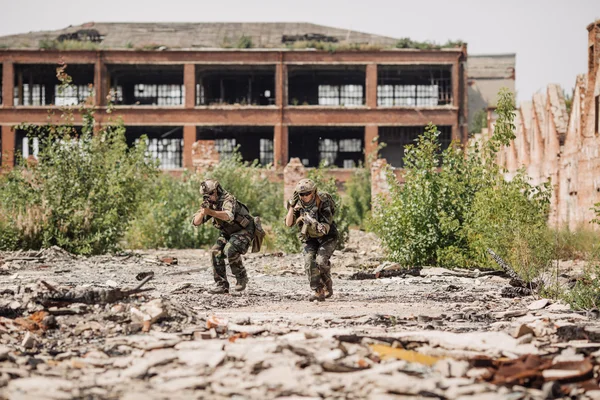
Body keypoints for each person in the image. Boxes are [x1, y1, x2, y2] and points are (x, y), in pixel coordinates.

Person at [192, 179, 255, 294]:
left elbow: (228, 216)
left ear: (217, 191)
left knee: (230, 249)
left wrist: (211, 212)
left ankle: (241, 278)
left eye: (211, 194)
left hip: (244, 230)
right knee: (215, 251)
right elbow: (196, 222)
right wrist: (203, 212)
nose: (209, 197)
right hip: (228, 233)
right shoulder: (210, 204)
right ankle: (221, 285)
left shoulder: (228, 199)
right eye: (206, 195)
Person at [285, 178, 338, 301]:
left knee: (320, 261)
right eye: (301, 194)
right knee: (309, 262)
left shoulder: (322, 200)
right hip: (309, 238)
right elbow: (288, 224)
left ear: (313, 192)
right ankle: (318, 291)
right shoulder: (296, 203)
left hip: (327, 236)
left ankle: (327, 285)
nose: (304, 196)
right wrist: (292, 206)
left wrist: (315, 225)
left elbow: (327, 224)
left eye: (307, 193)